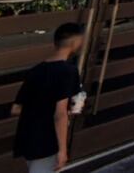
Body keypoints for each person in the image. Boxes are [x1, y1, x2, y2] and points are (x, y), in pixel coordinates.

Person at [11, 23, 84, 172]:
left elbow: (16, 108)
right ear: (75, 42)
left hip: (27, 137)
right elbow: (60, 113)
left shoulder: (35, 70)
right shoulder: (68, 72)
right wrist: (63, 150)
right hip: (47, 140)